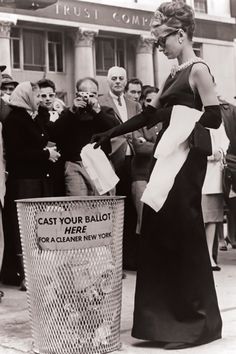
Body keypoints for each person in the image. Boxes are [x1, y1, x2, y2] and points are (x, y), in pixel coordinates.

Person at [92, 1, 222, 349]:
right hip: (168, 158)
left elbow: (214, 118)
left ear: (181, 34)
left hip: (187, 158)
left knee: (181, 231)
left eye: (163, 39)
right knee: (157, 228)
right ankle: (162, 323)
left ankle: (193, 324)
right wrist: (110, 133)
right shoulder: (171, 75)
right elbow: (149, 116)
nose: (159, 46)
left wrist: (177, 115)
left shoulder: (199, 71)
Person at [1, 81, 60, 289]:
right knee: (24, 231)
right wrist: (46, 154)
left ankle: (39, 272)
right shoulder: (15, 121)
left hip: (39, 180)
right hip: (25, 183)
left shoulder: (32, 118)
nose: (40, 101)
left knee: (38, 230)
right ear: (26, 97)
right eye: (36, 97)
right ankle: (26, 274)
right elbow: (17, 154)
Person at [99, 66, 141, 270]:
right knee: (114, 211)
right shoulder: (101, 102)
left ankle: (131, 258)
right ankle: (113, 261)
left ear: (126, 81)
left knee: (132, 210)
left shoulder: (135, 104)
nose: (117, 81)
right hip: (111, 160)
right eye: (114, 78)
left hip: (134, 159)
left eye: (121, 78)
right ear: (108, 81)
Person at [47, 77, 119, 196]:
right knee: (78, 207)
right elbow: (54, 134)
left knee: (105, 206)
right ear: (77, 94)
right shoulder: (69, 113)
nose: (89, 98)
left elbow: (114, 129)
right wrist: (72, 111)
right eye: (85, 94)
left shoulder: (105, 111)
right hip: (75, 164)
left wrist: (96, 111)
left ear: (98, 94)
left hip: (100, 164)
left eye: (93, 94)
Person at [131, 86, 160, 234]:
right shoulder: (138, 121)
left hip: (160, 177)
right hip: (141, 176)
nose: (152, 103)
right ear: (142, 101)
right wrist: (162, 146)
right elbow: (139, 147)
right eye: (148, 100)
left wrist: (148, 143)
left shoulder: (165, 120)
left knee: (160, 222)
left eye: (156, 99)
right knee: (143, 221)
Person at [202, 124, 229, 270]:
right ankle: (199, 257)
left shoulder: (216, 118)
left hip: (214, 176)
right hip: (198, 174)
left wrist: (220, 151)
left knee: (212, 218)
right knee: (199, 217)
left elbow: (224, 139)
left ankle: (209, 257)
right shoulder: (192, 114)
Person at [37, 78, 65, 196]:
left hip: (60, 163)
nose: (48, 98)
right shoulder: (36, 116)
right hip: (44, 164)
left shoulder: (61, 113)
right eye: (43, 96)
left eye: (51, 95)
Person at [220, 98, 236, 249]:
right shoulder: (229, 110)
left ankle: (232, 236)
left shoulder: (230, 109)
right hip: (226, 159)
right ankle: (222, 238)